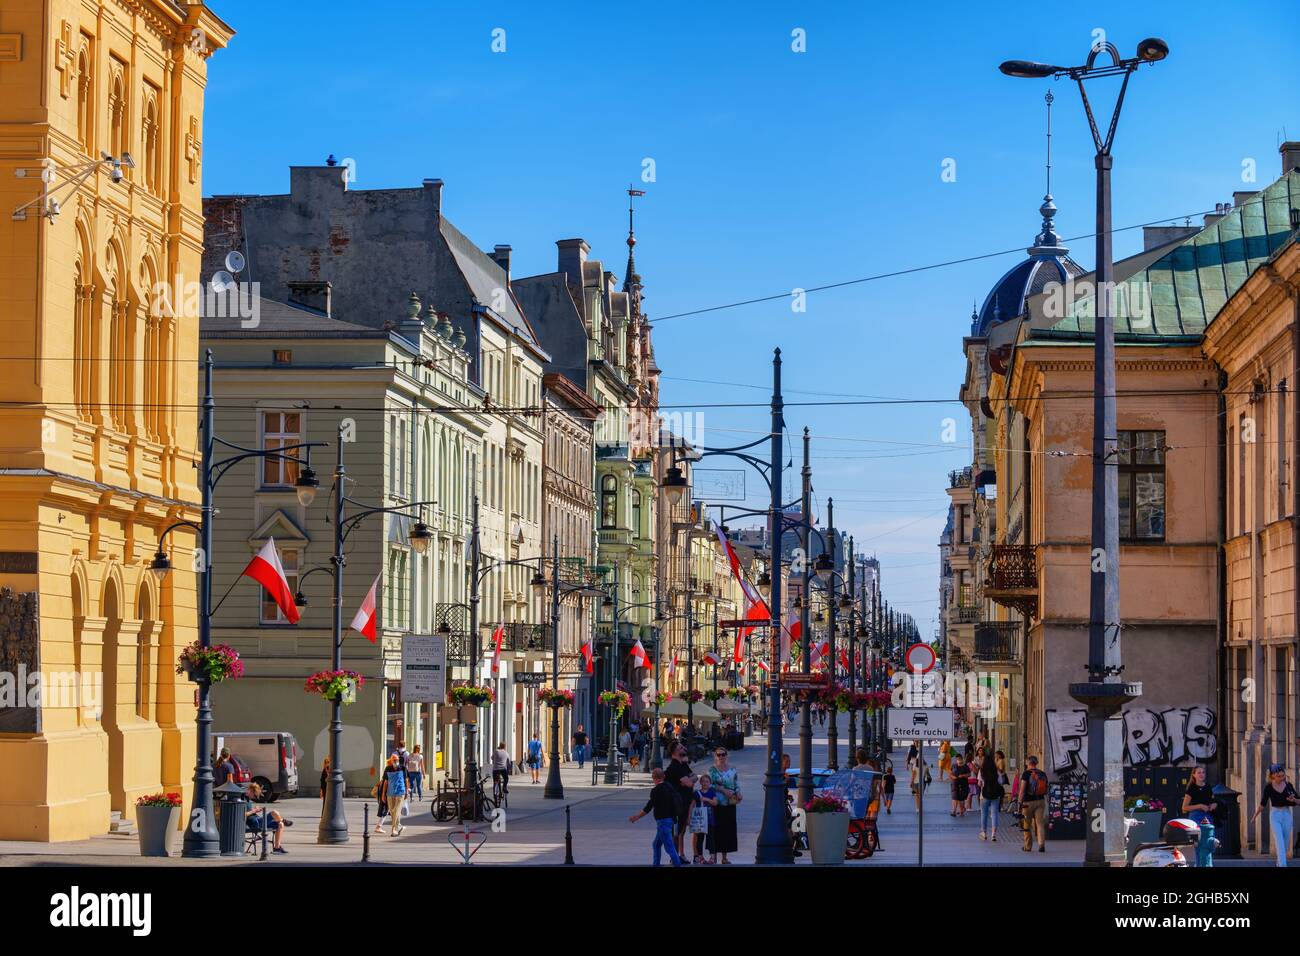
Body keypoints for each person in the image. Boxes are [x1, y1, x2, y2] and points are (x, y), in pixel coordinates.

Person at [628, 767, 684, 866]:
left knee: (669, 847)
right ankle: (656, 864)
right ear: (664, 776)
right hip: (670, 820)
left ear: (653, 778)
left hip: (662, 822)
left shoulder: (656, 790)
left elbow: (648, 807)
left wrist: (636, 817)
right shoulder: (669, 786)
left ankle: (677, 864)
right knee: (656, 845)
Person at [1249, 763, 1299, 867]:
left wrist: (1293, 799)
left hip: (1286, 814)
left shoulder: (1288, 786)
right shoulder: (1269, 787)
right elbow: (1262, 804)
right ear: (1272, 776)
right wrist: (1254, 816)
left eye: (1283, 775)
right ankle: (1282, 865)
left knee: (1285, 844)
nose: (1281, 778)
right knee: (1279, 842)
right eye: (1279, 776)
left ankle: (1279, 863)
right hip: (1275, 815)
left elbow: (1298, 801)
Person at [707, 747, 742, 864]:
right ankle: (714, 856)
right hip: (716, 804)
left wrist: (738, 792)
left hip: (730, 803)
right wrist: (722, 790)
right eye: (719, 755)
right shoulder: (712, 770)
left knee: (728, 830)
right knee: (715, 830)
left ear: (727, 755)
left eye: (723, 754)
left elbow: (736, 783)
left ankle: (725, 857)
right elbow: (708, 785)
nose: (721, 757)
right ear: (715, 756)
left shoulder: (732, 769)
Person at [665, 744, 697, 861]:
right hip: (677, 805)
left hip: (685, 802)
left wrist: (690, 779)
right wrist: (689, 780)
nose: (684, 749)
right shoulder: (674, 767)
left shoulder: (683, 765)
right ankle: (674, 857)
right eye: (680, 748)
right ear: (674, 752)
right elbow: (689, 783)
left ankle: (680, 855)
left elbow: (695, 778)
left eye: (684, 747)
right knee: (676, 832)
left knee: (681, 831)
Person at [245, 782, 290, 853]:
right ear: (250, 791)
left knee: (280, 824)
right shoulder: (243, 800)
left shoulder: (248, 800)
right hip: (255, 823)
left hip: (258, 819)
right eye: (255, 795)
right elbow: (243, 815)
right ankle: (282, 819)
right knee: (274, 813)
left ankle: (277, 848)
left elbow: (250, 812)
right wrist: (254, 810)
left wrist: (255, 810)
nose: (254, 798)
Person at [1019, 755, 1049, 853]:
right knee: (1040, 824)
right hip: (1040, 801)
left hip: (1028, 802)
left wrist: (1019, 802)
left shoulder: (1026, 774)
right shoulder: (1042, 774)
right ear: (1036, 763)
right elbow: (1046, 789)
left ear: (1028, 763)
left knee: (1027, 824)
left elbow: (1022, 790)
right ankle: (1041, 845)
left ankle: (1028, 847)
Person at [692, 772, 719, 864]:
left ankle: (712, 857)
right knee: (700, 839)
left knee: (711, 838)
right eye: (703, 781)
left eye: (707, 781)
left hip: (710, 820)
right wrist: (690, 817)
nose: (705, 783)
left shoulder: (712, 792)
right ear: (700, 783)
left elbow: (715, 803)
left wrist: (706, 799)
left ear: (710, 783)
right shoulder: (696, 793)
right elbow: (692, 805)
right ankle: (701, 857)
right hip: (700, 821)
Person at [978, 749, 1003, 842]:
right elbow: (1000, 782)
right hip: (995, 795)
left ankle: (984, 832)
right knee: (994, 814)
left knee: (983, 814)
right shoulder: (996, 771)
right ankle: (993, 834)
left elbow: (979, 784)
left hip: (984, 795)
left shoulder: (982, 771)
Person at [382, 753, 407, 836]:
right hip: (390, 792)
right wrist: (383, 794)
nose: (396, 762)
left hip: (400, 792)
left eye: (397, 760)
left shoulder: (403, 768)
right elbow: (385, 782)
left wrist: (407, 791)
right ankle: (399, 826)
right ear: (391, 761)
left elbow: (406, 780)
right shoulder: (388, 769)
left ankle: (394, 829)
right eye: (394, 760)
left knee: (396, 810)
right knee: (392, 811)